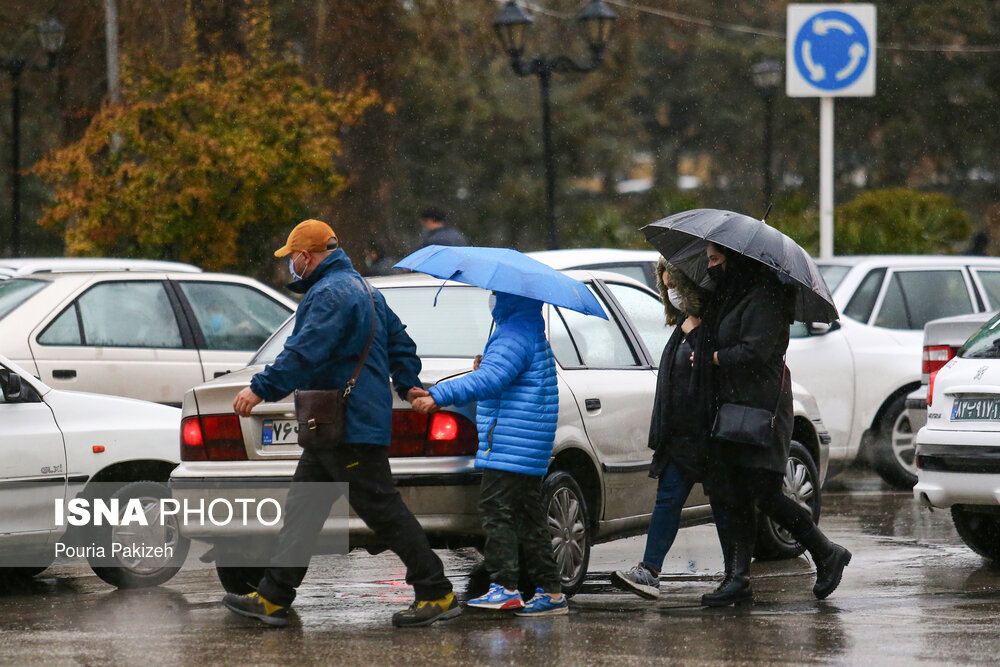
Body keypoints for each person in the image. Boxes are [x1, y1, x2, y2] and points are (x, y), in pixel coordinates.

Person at [223, 218, 460, 628]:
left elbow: (304, 351)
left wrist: (261, 388)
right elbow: (401, 344)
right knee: (304, 510)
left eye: (292, 259)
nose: (291, 267)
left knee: (383, 511)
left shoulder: (329, 293)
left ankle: (436, 591)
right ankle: (275, 597)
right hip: (336, 424)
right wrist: (409, 386)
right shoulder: (367, 291)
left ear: (305, 256)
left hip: (344, 424)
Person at [698, 241, 851, 607]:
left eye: (715, 259)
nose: (710, 266)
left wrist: (716, 357)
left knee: (763, 492)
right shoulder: (732, 293)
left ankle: (827, 552)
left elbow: (755, 351)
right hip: (735, 407)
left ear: (735, 258)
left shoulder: (765, 296)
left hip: (761, 410)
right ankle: (737, 579)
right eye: (708, 260)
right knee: (733, 493)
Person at [411, 290, 566, 617]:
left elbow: (490, 380)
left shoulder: (511, 335)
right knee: (531, 522)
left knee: (497, 511)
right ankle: (551, 591)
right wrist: (488, 364)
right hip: (527, 445)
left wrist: (439, 395)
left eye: (496, 294)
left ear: (510, 298)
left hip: (510, 444)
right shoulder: (528, 330)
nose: (492, 299)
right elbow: (506, 378)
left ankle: (504, 588)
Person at [611, 258, 719, 599]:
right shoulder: (682, 328)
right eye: (666, 285)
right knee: (668, 500)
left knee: (731, 505)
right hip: (680, 434)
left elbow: (713, 372)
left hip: (709, 432)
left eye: (676, 286)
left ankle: (740, 574)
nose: (671, 292)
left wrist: (698, 334)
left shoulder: (711, 325)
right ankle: (649, 570)